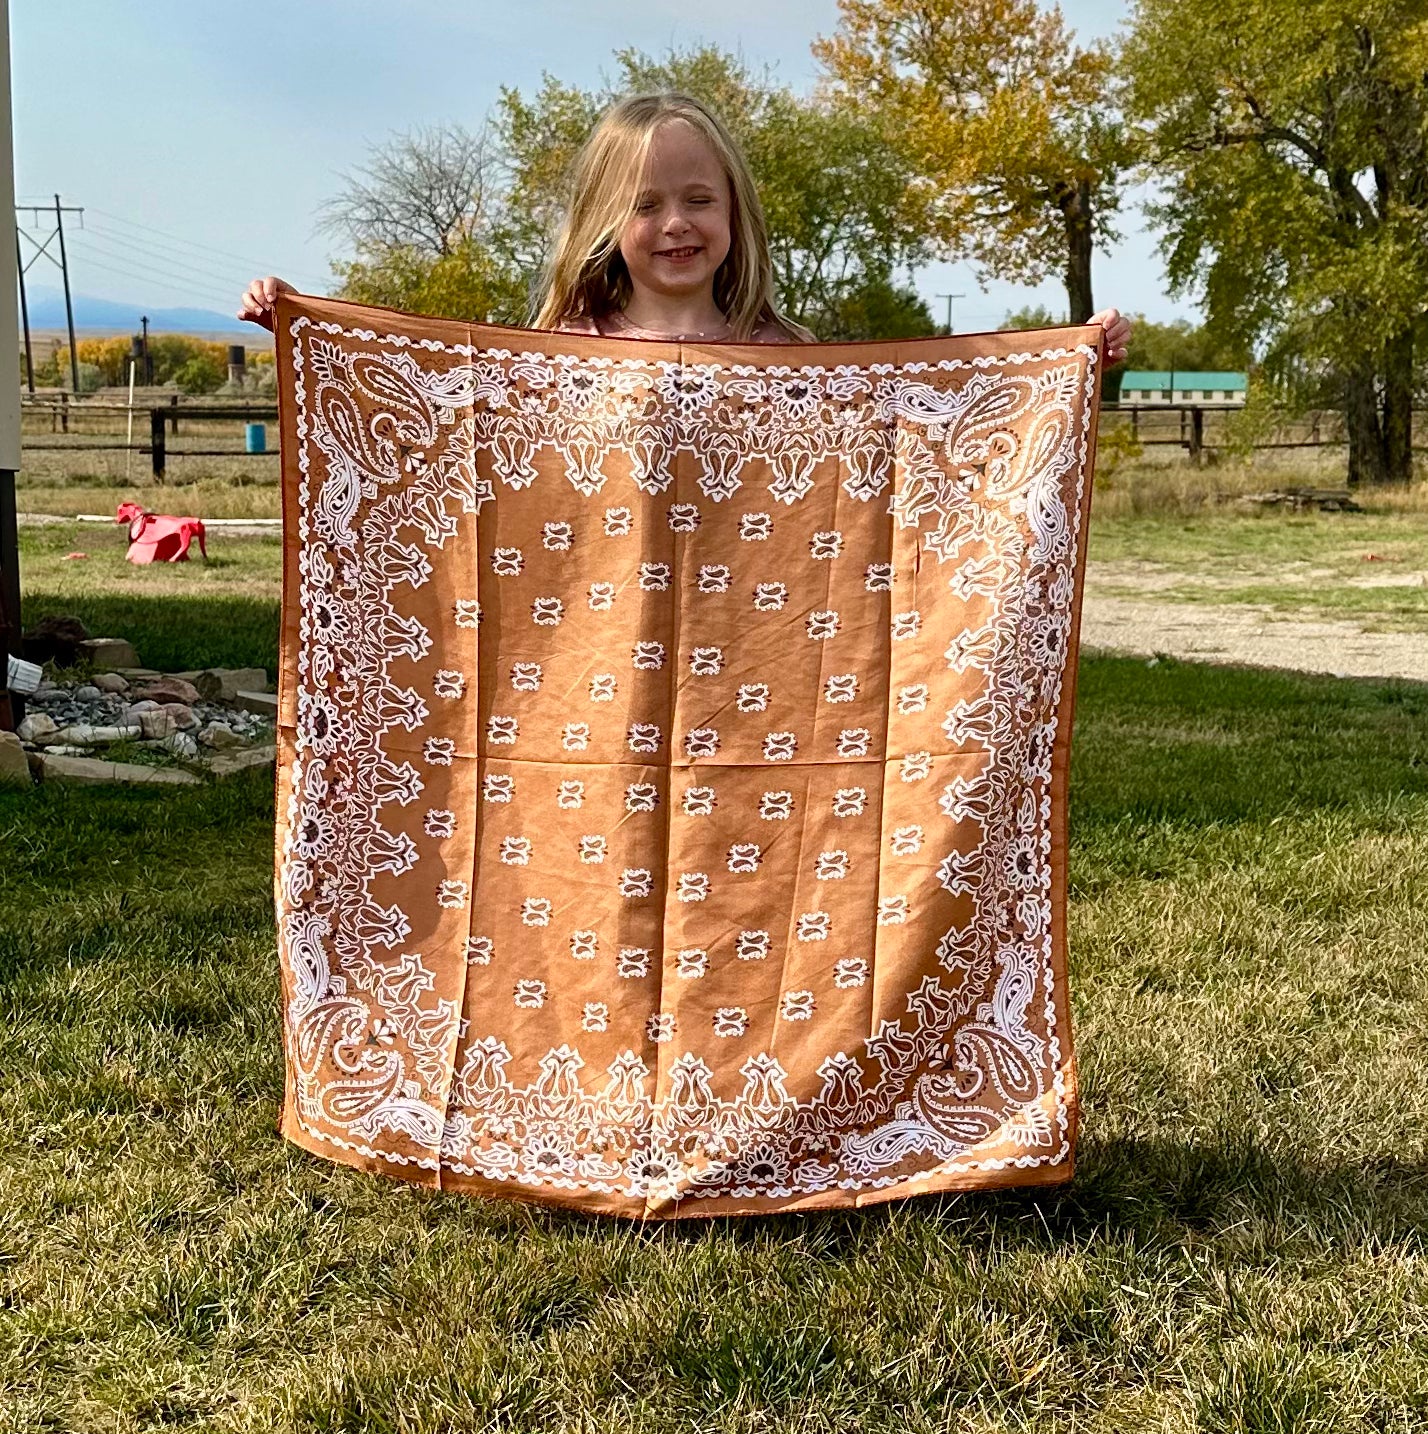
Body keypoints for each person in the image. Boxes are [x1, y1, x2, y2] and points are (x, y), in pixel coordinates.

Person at [238, 92, 1132, 360]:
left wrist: (1070, 363)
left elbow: (911, 445)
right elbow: (440, 416)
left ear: (735, 212)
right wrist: (306, 329)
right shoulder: (564, 347)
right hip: (598, 653)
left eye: (700, 200)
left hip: (750, 651)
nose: (676, 224)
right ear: (605, 223)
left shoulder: (785, 351)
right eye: (645, 203)